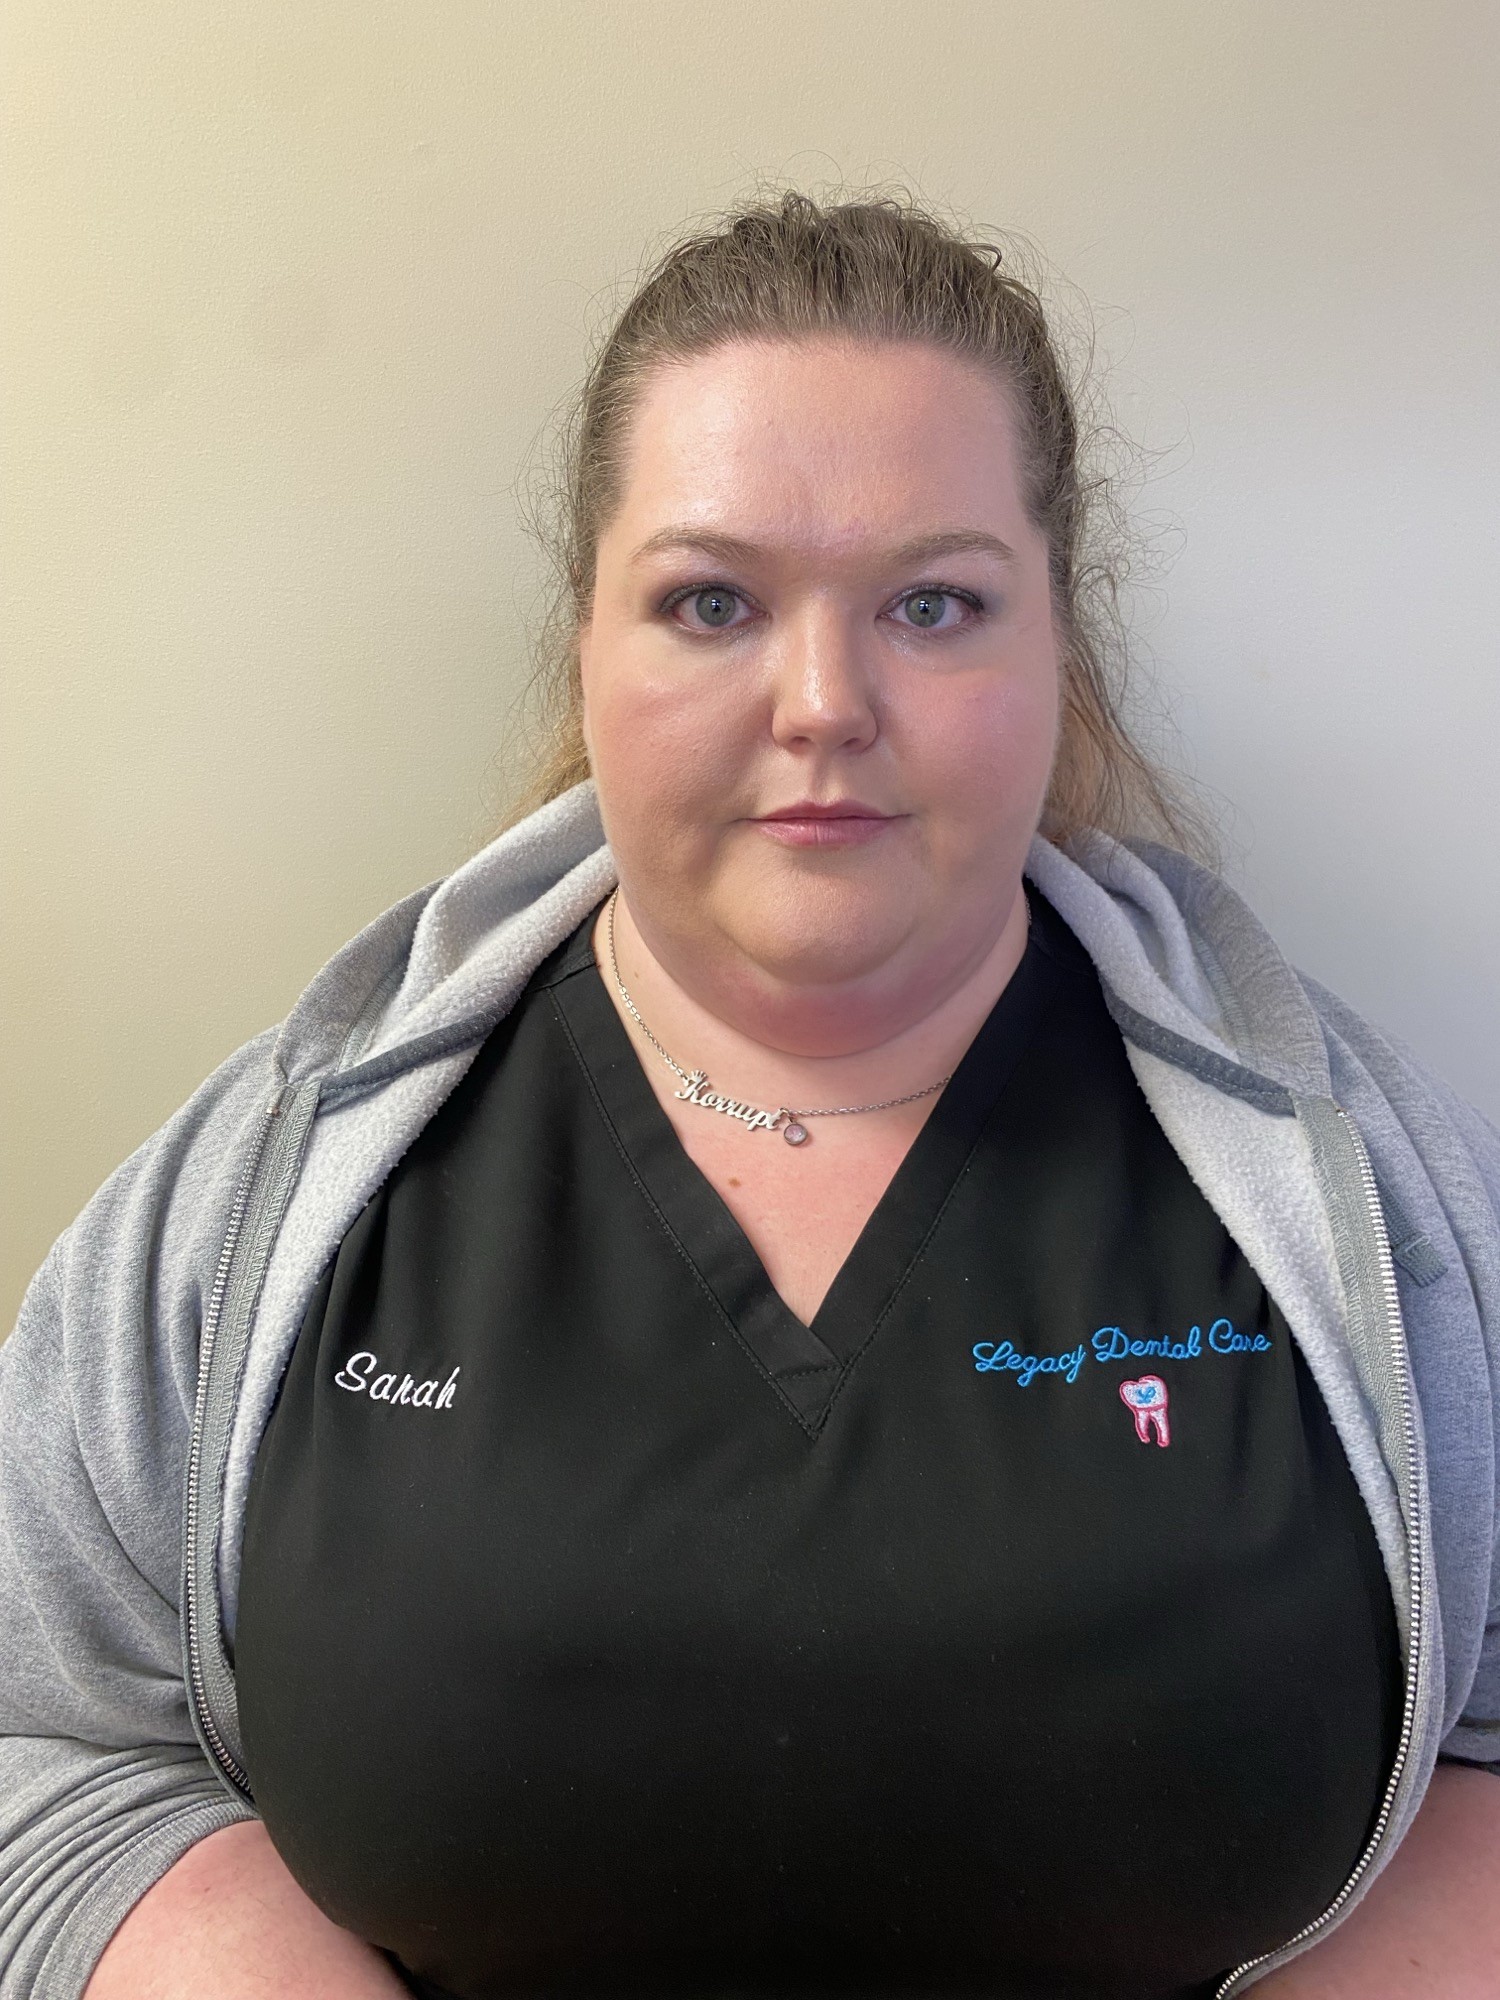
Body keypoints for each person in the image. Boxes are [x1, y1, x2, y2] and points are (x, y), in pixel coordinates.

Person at [1, 191, 1496, 2000]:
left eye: (934, 604)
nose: (822, 703)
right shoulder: (264, 1195)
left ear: (1058, 646)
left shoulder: (1377, 1199)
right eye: (712, 601)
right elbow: (48, 1738)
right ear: (589, 645)